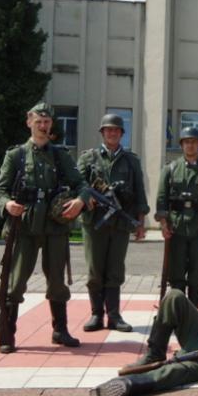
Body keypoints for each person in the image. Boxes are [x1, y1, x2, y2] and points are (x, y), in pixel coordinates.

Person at [0, 102, 90, 354]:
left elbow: (81, 184)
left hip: (55, 226)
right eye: (38, 121)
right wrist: (7, 204)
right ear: (29, 122)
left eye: (47, 122)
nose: (43, 126)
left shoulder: (60, 155)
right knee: (15, 283)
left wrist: (80, 201)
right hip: (24, 226)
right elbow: (0, 190)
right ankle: (8, 333)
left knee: (57, 281)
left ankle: (60, 330)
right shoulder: (16, 155)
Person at [76, 113, 150, 333]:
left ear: (121, 134)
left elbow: (140, 192)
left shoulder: (131, 160)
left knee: (115, 269)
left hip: (120, 222)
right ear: (102, 132)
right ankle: (96, 314)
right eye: (108, 129)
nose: (112, 133)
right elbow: (76, 183)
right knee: (95, 269)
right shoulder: (88, 158)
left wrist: (141, 222)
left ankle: (114, 315)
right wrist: (85, 197)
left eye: (116, 130)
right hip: (94, 222)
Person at [154, 125, 198, 307]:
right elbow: (161, 202)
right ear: (181, 145)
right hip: (176, 230)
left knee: (196, 276)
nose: (190, 145)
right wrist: (164, 225)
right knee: (176, 275)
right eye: (186, 142)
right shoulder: (170, 169)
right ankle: (178, 312)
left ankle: (193, 313)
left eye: (193, 142)